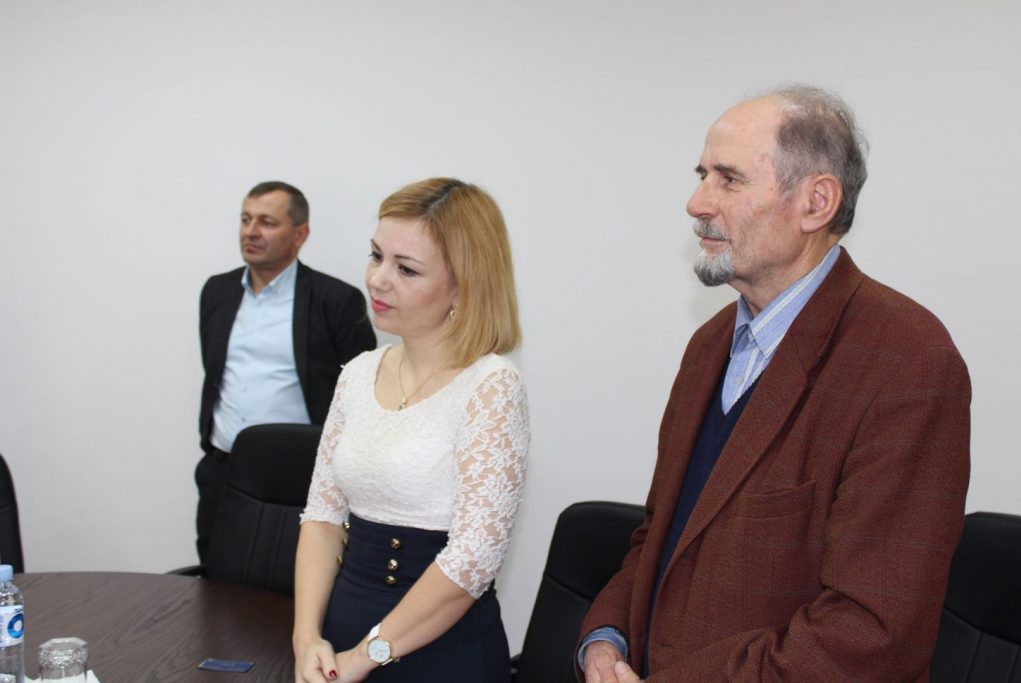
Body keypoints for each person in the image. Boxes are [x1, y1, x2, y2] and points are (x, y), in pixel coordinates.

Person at [578, 86, 971, 682]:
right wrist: (605, 639)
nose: (696, 202)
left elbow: (872, 633)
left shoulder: (909, 363)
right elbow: (658, 537)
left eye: (728, 180)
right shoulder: (708, 346)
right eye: (702, 176)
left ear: (816, 202)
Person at [293, 178, 529, 682]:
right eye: (376, 256)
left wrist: (365, 657)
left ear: (464, 285)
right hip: (340, 637)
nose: (378, 280)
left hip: (439, 653)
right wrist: (306, 637)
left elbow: (472, 559)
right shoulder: (358, 373)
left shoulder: (491, 385)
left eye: (406, 269)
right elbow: (323, 516)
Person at [197, 181, 376, 562]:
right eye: (245, 219)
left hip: (299, 478)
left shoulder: (336, 301)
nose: (251, 231)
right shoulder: (217, 291)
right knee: (215, 578)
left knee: (292, 584)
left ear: (300, 234)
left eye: (267, 222)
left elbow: (363, 397)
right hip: (222, 471)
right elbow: (215, 375)